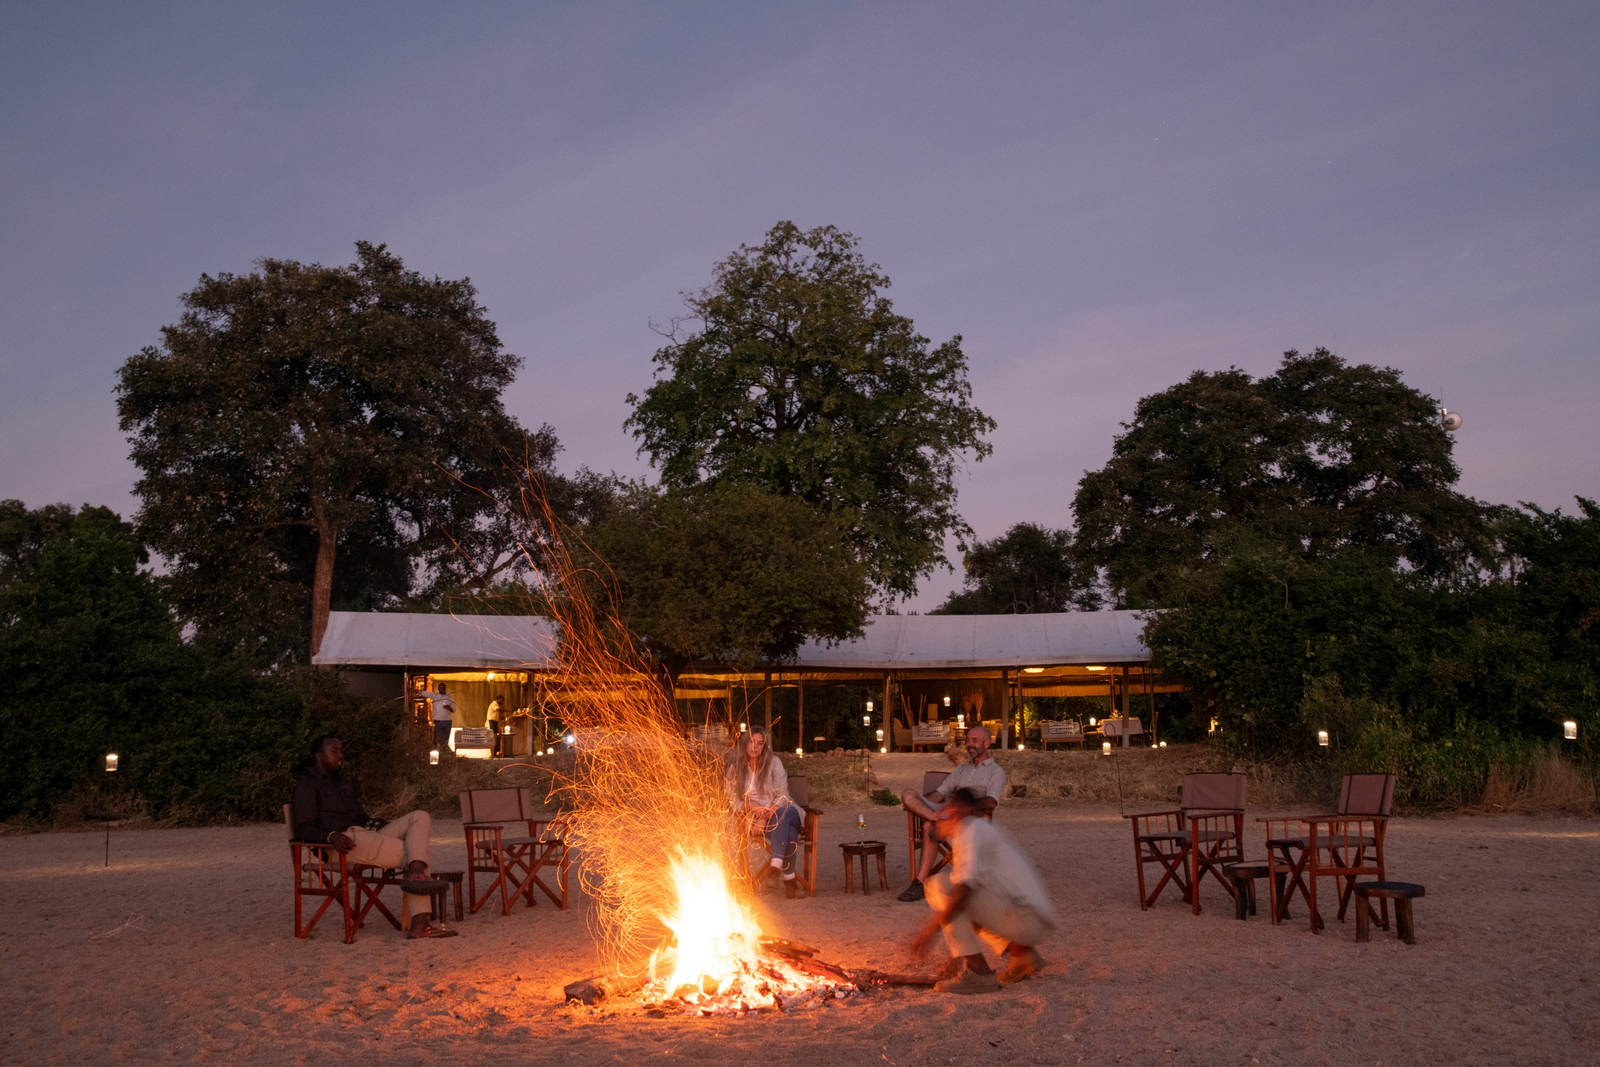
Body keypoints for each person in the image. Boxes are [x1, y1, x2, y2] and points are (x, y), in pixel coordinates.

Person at [291, 735, 454, 938]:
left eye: (341, 750)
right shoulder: (308, 786)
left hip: (364, 834)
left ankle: (417, 879)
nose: (340, 755)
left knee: (420, 817)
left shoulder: (343, 784)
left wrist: (379, 824)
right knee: (414, 855)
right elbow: (304, 829)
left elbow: (361, 817)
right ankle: (420, 924)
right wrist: (331, 836)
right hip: (340, 845)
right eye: (334, 751)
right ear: (318, 756)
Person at [910, 787, 1055, 993]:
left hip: (1026, 919)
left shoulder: (970, 830)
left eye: (950, 811)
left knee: (940, 886)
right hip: (1033, 920)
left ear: (965, 811)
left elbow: (962, 893)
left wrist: (928, 933)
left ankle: (980, 974)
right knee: (956, 891)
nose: (943, 817)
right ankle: (1022, 955)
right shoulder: (976, 830)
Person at [897, 725, 1007, 901]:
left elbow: (991, 802)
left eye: (974, 740)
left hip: (968, 819)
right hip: (944, 813)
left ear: (987, 743)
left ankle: (919, 884)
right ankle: (934, 817)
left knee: (927, 826)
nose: (969, 744)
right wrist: (921, 802)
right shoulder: (962, 769)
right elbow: (939, 794)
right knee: (907, 794)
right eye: (968, 740)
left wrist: (964, 807)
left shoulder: (996, 772)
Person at [725, 725, 806, 899]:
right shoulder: (736, 768)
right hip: (760, 818)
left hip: (784, 809)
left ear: (764, 746)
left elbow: (783, 794)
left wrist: (766, 815)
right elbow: (733, 799)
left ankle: (775, 868)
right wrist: (753, 807)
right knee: (790, 833)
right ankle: (790, 883)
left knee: (781, 814)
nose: (755, 747)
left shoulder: (773, 763)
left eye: (760, 743)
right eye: (752, 742)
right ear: (745, 743)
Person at [419, 683, 456, 753]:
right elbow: (426, 693)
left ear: (445, 688)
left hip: (447, 721)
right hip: (438, 721)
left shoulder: (449, 698)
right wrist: (417, 691)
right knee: (439, 738)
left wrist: (449, 708)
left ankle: (444, 752)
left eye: (443, 688)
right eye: (440, 688)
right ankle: (444, 751)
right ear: (438, 689)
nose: (441, 689)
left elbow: (454, 710)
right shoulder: (435, 696)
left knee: (445, 739)